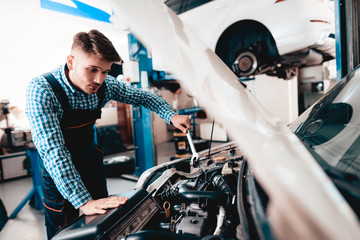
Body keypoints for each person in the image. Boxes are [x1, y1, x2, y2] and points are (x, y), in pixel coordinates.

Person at [25, 29, 190, 239]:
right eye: (92, 69)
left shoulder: (106, 85)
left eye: (105, 71)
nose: (99, 79)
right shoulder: (42, 90)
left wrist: (171, 116)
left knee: (102, 225)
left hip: (90, 162)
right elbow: (54, 153)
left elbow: (143, 97)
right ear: (71, 61)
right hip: (57, 171)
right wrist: (84, 202)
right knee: (64, 233)